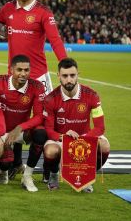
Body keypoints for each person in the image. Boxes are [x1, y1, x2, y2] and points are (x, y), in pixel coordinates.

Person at [0, 0, 68, 180]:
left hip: (39, 76)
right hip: (13, 76)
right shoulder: (8, 9)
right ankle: (15, 164)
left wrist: (65, 65)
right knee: (14, 119)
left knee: (47, 124)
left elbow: (55, 40)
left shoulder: (43, 12)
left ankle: (50, 168)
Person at [43, 58, 110, 192]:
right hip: (61, 137)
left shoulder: (92, 95)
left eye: (72, 75)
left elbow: (100, 127)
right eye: (65, 76)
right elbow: (49, 130)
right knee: (51, 151)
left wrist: (82, 139)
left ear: (78, 74)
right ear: (58, 76)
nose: (69, 80)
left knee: (104, 145)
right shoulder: (50, 99)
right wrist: (64, 137)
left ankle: (87, 175)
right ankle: (54, 175)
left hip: (85, 137)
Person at [0, 55, 47, 192]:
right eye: (19, 70)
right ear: (11, 70)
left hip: (21, 132)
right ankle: (3, 170)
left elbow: (39, 116)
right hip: (1, 131)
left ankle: (27, 176)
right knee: (6, 164)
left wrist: (20, 127)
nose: (23, 74)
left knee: (41, 133)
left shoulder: (37, 86)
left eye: (26, 70)